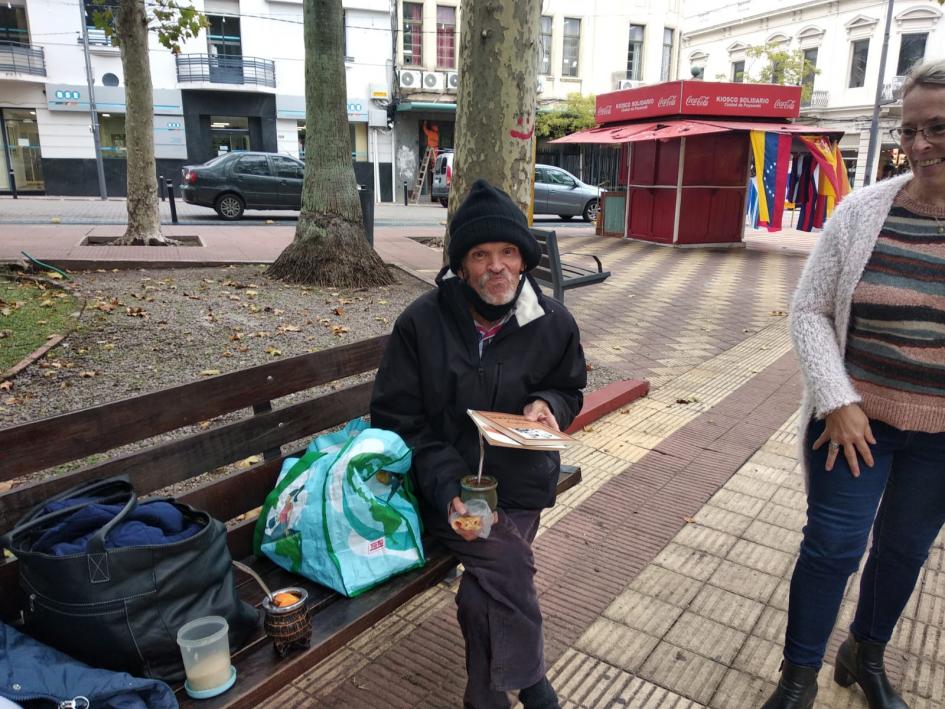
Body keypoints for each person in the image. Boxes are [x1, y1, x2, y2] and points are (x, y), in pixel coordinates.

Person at [763, 58, 945, 709]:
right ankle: (796, 677)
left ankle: (864, 652)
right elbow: (808, 308)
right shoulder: (862, 210)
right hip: (853, 425)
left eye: (936, 129)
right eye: (909, 129)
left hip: (939, 438)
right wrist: (836, 399)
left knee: (902, 551)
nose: (918, 146)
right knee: (833, 547)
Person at [371, 178, 586, 709]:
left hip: (520, 484)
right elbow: (399, 421)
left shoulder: (552, 321)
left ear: (524, 259)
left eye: (508, 252)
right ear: (461, 265)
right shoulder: (421, 323)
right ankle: (533, 684)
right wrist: (446, 486)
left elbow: (569, 387)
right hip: (450, 487)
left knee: (477, 593)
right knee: (507, 562)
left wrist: (548, 406)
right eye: (481, 254)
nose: (497, 266)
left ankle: (484, 700)